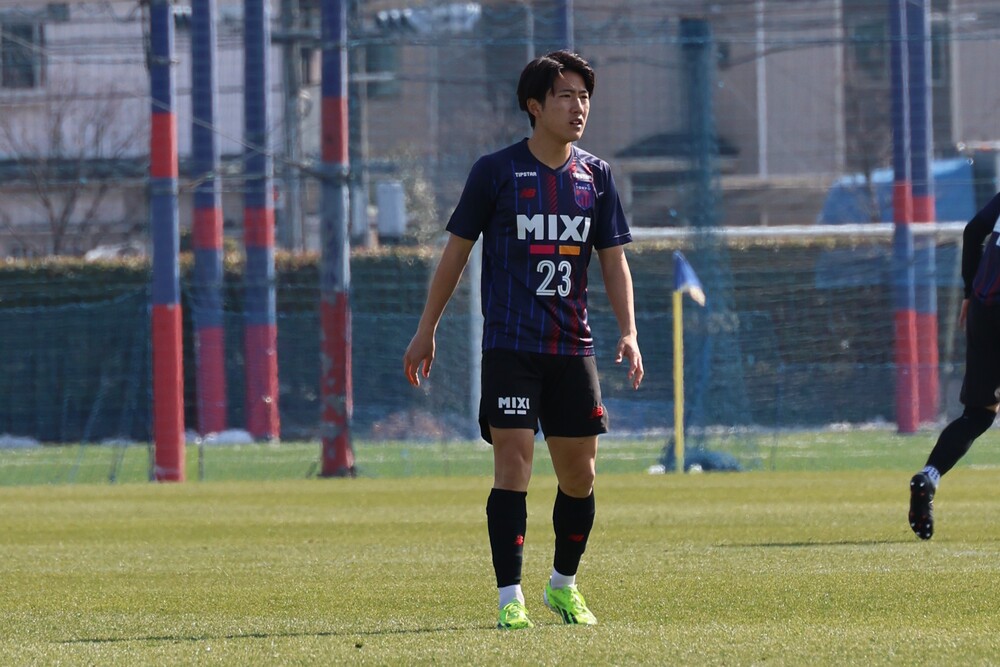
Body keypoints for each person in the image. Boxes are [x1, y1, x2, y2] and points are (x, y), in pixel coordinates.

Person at [403, 50, 643, 629]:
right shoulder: (497, 172)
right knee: (513, 463)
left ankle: (563, 585)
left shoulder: (596, 177)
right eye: (565, 96)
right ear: (535, 106)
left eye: (584, 97)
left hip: (573, 347)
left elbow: (613, 261)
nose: (578, 107)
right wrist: (427, 328)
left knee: (580, 475)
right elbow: (456, 253)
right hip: (510, 346)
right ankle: (510, 598)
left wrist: (630, 331)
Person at [909, 192, 1000, 540]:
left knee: (978, 414)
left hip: (983, 307)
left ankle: (929, 476)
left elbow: (973, 231)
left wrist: (967, 293)